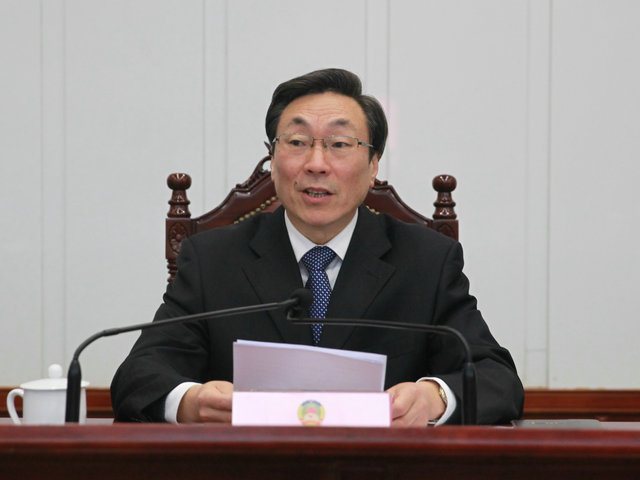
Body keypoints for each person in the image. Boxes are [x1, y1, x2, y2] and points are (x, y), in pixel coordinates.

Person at [111, 68, 524, 426]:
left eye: (339, 144)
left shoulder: (426, 260)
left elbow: (497, 378)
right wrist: (191, 402)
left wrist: (433, 397)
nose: (316, 164)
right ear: (272, 158)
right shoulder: (213, 259)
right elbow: (138, 376)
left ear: (373, 165)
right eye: (297, 142)